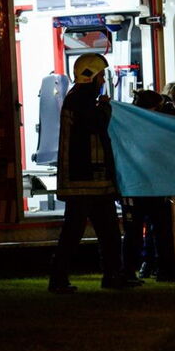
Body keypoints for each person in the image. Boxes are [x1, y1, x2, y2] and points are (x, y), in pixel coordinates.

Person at [49, 53, 128, 293]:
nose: (103, 81)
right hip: (85, 181)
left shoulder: (77, 98)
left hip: (88, 181)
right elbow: (96, 124)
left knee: (104, 232)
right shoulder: (82, 100)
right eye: (101, 76)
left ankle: (110, 275)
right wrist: (105, 107)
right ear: (90, 76)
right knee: (88, 232)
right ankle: (64, 279)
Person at [120, 90, 175, 284]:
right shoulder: (148, 126)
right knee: (157, 229)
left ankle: (138, 269)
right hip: (147, 184)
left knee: (145, 229)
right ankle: (157, 268)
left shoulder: (129, 124)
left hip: (138, 184)